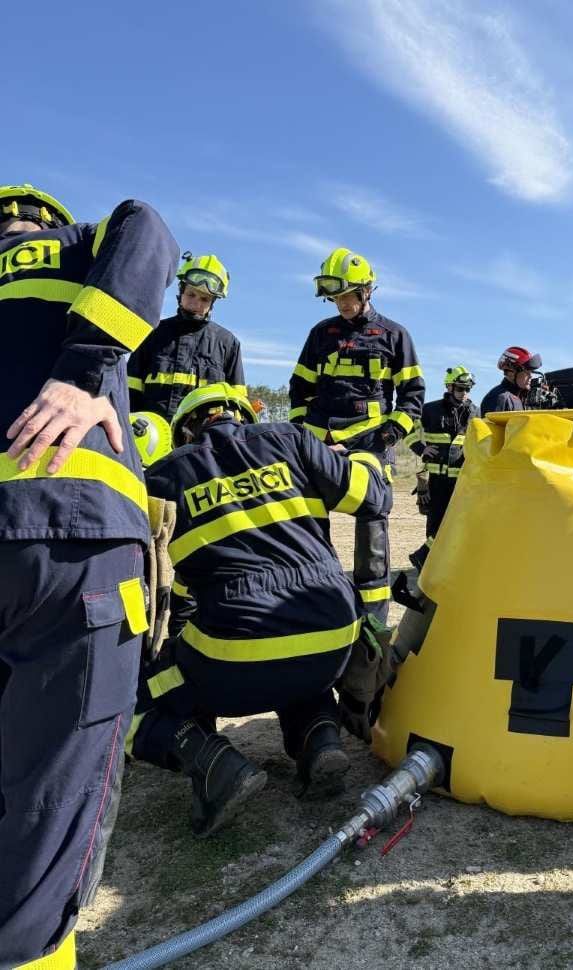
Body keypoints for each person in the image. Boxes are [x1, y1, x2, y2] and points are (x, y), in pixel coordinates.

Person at [0, 184, 178, 970]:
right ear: (44, 216)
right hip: (70, 534)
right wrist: (85, 367)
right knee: (52, 800)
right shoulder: (79, 244)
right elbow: (148, 225)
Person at [128, 383, 389, 836]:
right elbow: (375, 499)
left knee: (133, 695)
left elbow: (173, 591)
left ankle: (212, 762)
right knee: (292, 640)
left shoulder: (165, 477)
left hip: (239, 648)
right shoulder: (293, 439)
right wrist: (362, 456)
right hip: (333, 636)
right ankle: (318, 737)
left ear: (186, 431)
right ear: (241, 416)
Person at [289, 247, 424, 621]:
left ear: (366, 291)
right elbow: (299, 388)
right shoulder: (320, 334)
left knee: (373, 515)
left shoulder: (395, 336)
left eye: (348, 295)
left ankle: (373, 615)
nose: (342, 304)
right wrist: (303, 432)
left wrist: (391, 434)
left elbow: (413, 394)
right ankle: (316, 601)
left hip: (371, 443)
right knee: (308, 518)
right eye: (336, 297)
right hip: (318, 442)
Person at [128, 253, 246, 420]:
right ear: (181, 291)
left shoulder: (228, 344)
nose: (196, 303)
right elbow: (128, 389)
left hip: (202, 442)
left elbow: (236, 404)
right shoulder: (153, 333)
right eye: (191, 294)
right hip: (149, 436)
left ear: (212, 302)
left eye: (204, 299)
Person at [407, 366, 479, 570]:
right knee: (435, 523)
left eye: (467, 389)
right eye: (460, 388)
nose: (464, 393)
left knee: (457, 523)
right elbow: (408, 430)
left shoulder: (475, 411)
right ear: (449, 386)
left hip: (462, 480)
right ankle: (427, 562)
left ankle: (426, 558)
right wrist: (421, 449)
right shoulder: (430, 410)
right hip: (436, 480)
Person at [480, 346, 542, 413]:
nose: (531, 376)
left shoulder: (519, 397)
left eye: (531, 372)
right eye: (527, 372)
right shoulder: (499, 398)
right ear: (511, 373)